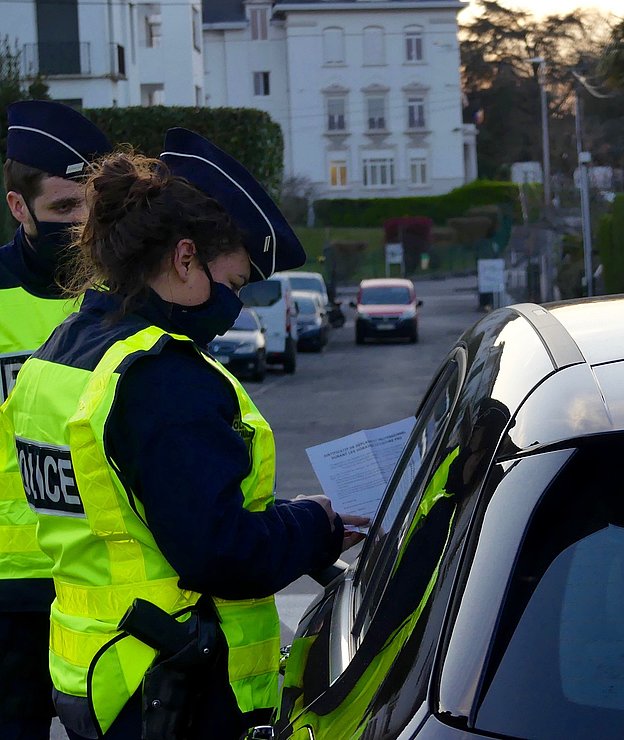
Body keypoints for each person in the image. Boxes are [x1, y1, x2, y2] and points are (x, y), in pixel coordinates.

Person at [1, 129, 364, 740]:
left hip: (105, 671)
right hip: (175, 679)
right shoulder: (162, 377)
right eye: (234, 283)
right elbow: (217, 552)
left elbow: (138, 510)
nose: (237, 306)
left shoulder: (63, 352)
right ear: (186, 258)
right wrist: (313, 527)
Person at [0, 100, 111, 740]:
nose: (83, 225)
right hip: (8, 594)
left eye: (93, 208)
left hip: (107, 582)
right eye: (65, 209)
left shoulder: (126, 293)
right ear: (21, 209)